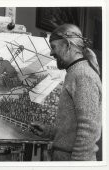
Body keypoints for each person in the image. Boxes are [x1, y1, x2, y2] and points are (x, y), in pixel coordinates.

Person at [30, 24, 102, 161]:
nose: (51, 53)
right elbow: (73, 127)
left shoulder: (83, 75)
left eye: (54, 47)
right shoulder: (74, 72)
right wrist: (48, 131)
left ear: (68, 46)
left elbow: (89, 129)